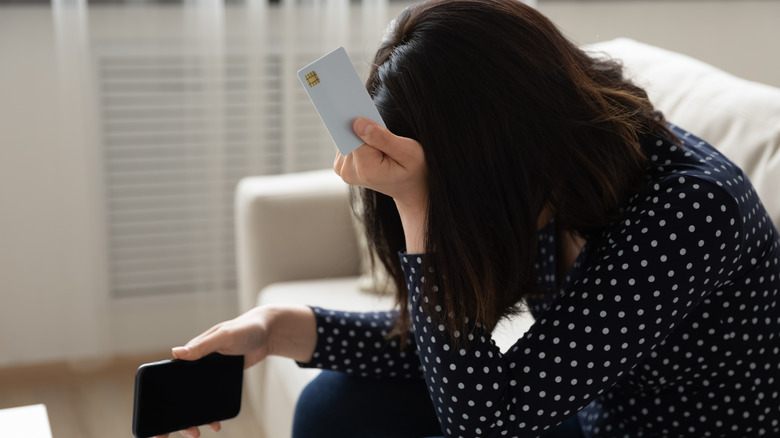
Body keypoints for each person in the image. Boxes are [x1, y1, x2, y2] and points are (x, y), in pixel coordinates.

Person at [159, 0, 780, 437]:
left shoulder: (690, 212)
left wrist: (417, 203)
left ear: (504, 151)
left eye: (448, 191)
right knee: (333, 404)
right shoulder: (558, 181)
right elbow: (449, 349)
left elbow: (487, 423)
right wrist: (273, 329)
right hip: (589, 412)